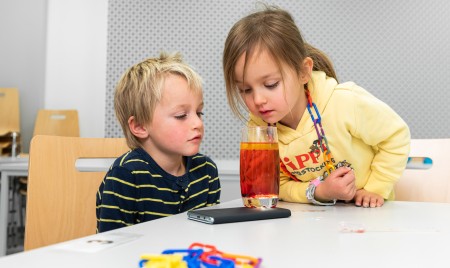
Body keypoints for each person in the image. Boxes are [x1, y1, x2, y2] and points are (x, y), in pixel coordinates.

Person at [223, 6, 410, 208]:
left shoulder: (343, 102)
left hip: (368, 212)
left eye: (271, 85)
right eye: (245, 90)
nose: (258, 100)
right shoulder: (259, 131)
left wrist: (375, 188)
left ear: (303, 72)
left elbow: (396, 136)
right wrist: (318, 192)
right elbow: (276, 186)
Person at [96, 52, 221, 232]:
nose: (198, 123)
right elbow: (112, 246)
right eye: (181, 116)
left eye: (199, 113)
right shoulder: (126, 175)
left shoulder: (206, 171)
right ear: (139, 125)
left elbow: (207, 236)